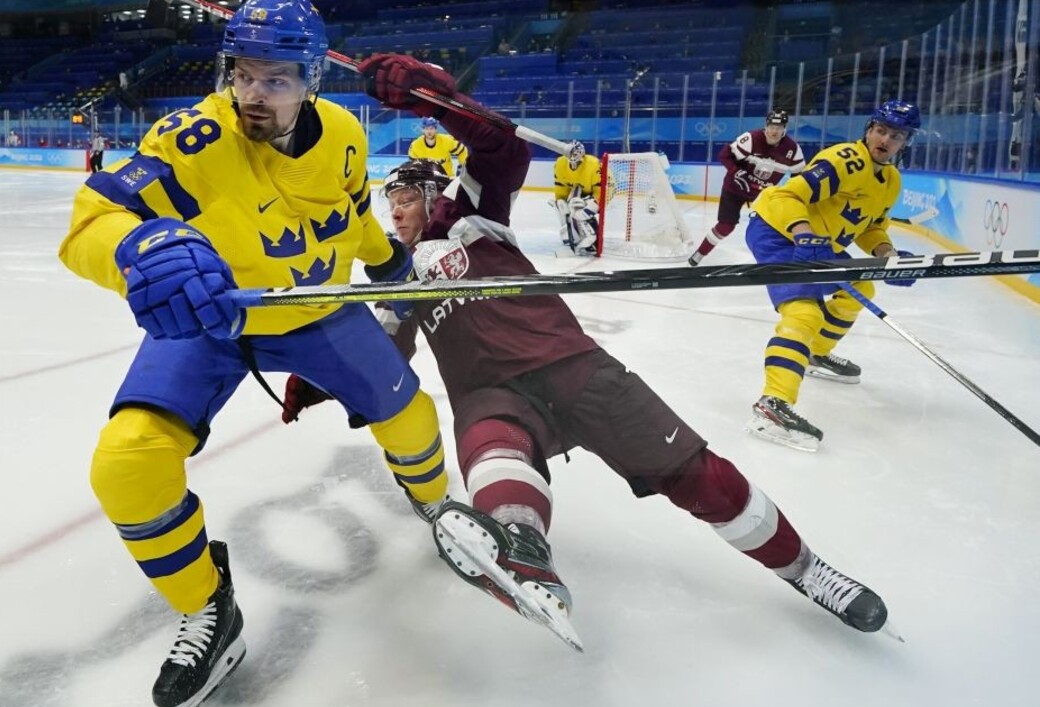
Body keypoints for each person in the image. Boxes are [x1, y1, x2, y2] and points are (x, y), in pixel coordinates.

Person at [284, 52, 893, 649]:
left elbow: (502, 148)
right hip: (489, 393)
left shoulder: (471, 217)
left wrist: (429, 95)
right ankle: (523, 550)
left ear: (435, 195)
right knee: (488, 448)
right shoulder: (396, 279)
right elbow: (382, 356)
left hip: (572, 366)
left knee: (696, 475)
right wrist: (321, 371)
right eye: (390, 201)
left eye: (408, 196)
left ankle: (808, 571)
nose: (396, 210)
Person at [56, 3, 449, 707]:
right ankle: (209, 606)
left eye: (275, 80)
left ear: (312, 83)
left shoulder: (346, 135)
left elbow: (349, 217)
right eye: (242, 74)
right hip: (215, 320)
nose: (252, 95)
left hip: (319, 311)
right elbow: (90, 221)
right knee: (126, 462)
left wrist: (391, 264)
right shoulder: (194, 138)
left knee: (412, 417)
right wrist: (135, 249)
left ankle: (438, 507)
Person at [744, 100, 922, 451]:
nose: (885, 140)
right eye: (881, 131)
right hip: (777, 230)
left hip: (818, 242)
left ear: (905, 143)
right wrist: (802, 232)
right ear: (869, 130)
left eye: (896, 136)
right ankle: (772, 404)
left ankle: (815, 353)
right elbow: (785, 196)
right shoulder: (845, 160)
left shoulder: (890, 180)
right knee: (804, 311)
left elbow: (871, 229)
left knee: (861, 286)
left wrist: (890, 256)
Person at [688, 109, 804, 266]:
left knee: (777, 226)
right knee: (726, 226)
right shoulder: (751, 139)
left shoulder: (793, 150)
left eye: (779, 127)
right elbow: (724, 155)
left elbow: (799, 175)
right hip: (734, 189)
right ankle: (700, 253)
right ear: (766, 126)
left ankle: (785, 260)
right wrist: (736, 171)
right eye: (771, 127)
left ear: (785, 128)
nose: (774, 131)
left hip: (763, 195)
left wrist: (792, 194)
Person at [551, 140, 601, 252]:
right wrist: (560, 201)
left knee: (581, 211)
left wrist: (594, 202)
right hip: (580, 189)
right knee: (563, 206)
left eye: (575, 154)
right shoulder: (560, 163)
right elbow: (561, 187)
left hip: (603, 191)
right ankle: (573, 234)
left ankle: (592, 237)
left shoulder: (593, 164)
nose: (573, 158)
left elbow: (601, 190)